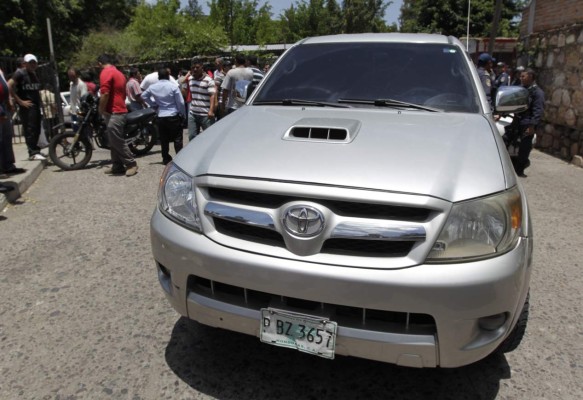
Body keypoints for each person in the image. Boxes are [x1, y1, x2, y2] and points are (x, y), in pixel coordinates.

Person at [97, 53, 138, 177]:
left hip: (115, 111)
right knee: (113, 139)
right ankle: (117, 165)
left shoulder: (106, 72)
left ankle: (131, 163)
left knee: (116, 139)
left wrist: (101, 109)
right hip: (119, 109)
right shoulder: (119, 73)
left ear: (100, 64)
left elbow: (105, 94)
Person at [141, 68, 185, 165]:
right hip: (173, 114)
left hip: (161, 115)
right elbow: (181, 102)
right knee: (177, 138)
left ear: (159, 77)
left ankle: (165, 158)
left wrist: (153, 104)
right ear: (168, 76)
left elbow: (143, 96)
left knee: (164, 139)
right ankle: (179, 158)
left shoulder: (153, 87)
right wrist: (183, 114)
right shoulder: (173, 86)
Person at [8, 54, 46, 160]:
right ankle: (32, 152)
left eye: (34, 62)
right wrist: (19, 101)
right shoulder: (20, 73)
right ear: (25, 64)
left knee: (36, 128)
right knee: (30, 129)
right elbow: (9, 85)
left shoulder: (33, 74)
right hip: (27, 105)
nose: (33, 65)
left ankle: (36, 150)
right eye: (30, 63)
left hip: (35, 104)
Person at [513, 68, 545, 178]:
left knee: (524, 147)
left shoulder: (537, 92)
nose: (520, 78)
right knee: (506, 139)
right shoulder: (522, 90)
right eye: (520, 76)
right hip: (517, 121)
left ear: (530, 77)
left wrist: (532, 126)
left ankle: (519, 170)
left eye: (523, 76)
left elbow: (538, 110)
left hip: (527, 123)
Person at [0, 67, 25, 185]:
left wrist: (9, 101)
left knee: (7, 136)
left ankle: (8, 165)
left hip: (3, 105)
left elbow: (5, 86)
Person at [183, 58, 216, 140]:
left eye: (197, 67)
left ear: (202, 67)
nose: (195, 69)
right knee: (192, 137)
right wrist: (185, 79)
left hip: (205, 114)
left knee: (210, 137)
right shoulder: (190, 79)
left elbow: (212, 95)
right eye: (193, 67)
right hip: (193, 113)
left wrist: (211, 110)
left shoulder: (209, 80)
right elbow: (184, 91)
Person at [68, 67, 88, 132]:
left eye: (72, 76)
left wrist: (81, 114)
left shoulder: (81, 85)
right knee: (75, 131)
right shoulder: (71, 84)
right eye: (70, 76)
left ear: (77, 75)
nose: (71, 78)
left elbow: (84, 99)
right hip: (73, 112)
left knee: (81, 131)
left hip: (79, 112)